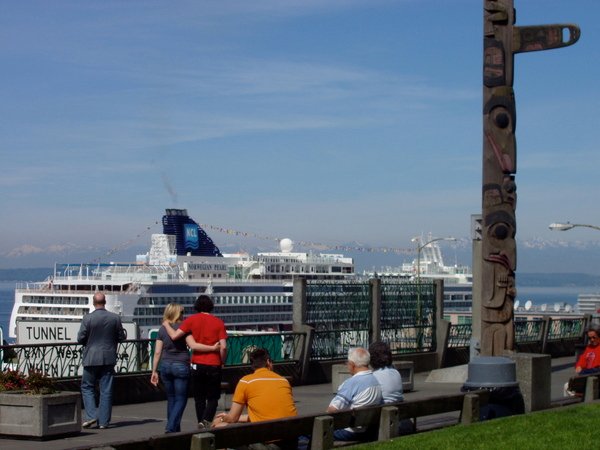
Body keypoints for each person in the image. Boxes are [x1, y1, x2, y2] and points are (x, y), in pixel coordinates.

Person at [150, 303, 220, 433]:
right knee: (181, 399)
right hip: (181, 365)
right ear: (177, 313)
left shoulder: (162, 329)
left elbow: (157, 352)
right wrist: (212, 348)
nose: (184, 314)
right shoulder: (184, 328)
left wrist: (154, 371)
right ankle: (171, 427)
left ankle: (175, 429)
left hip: (165, 366)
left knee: (171, 398)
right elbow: (193, 345)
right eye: (182, 312)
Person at [163, 294, 227, 429]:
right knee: (213, 397)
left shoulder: (191, 320)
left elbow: (174, 336)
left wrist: (166, 324)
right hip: (214, 363)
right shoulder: (219, 322)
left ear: (196, 306)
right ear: (211, 306)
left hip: (197, 363)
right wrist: (222, 361)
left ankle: (201, 422)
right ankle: (205, 421)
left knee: (199, 398)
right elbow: (224, 347)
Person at [212, 347, 297, 427]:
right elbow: (270, 413)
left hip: (267, 437)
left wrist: (222, 418)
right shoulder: (284, 381)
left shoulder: (246, 381)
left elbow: (233, 418)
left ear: (253, 366)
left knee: (218, 426)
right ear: (268, 362)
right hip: (291, 435)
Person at [77, 292, 126, 429]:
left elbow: (80, 338)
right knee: (106, 390)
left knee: (87, 387)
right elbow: (121, 337)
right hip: (109, 358)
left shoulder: (88, 318)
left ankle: (92, 416)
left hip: (91, 358)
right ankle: (104, 422)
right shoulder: (115, 318)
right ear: (104, 302)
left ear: (93, 302)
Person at [327, 347, 382, 442]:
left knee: (308, 433)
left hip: (351, 431)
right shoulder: (375, 380)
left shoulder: (352, 383)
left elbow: (332, 410)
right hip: (367, 430)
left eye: (347, 363)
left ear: (352, 365)